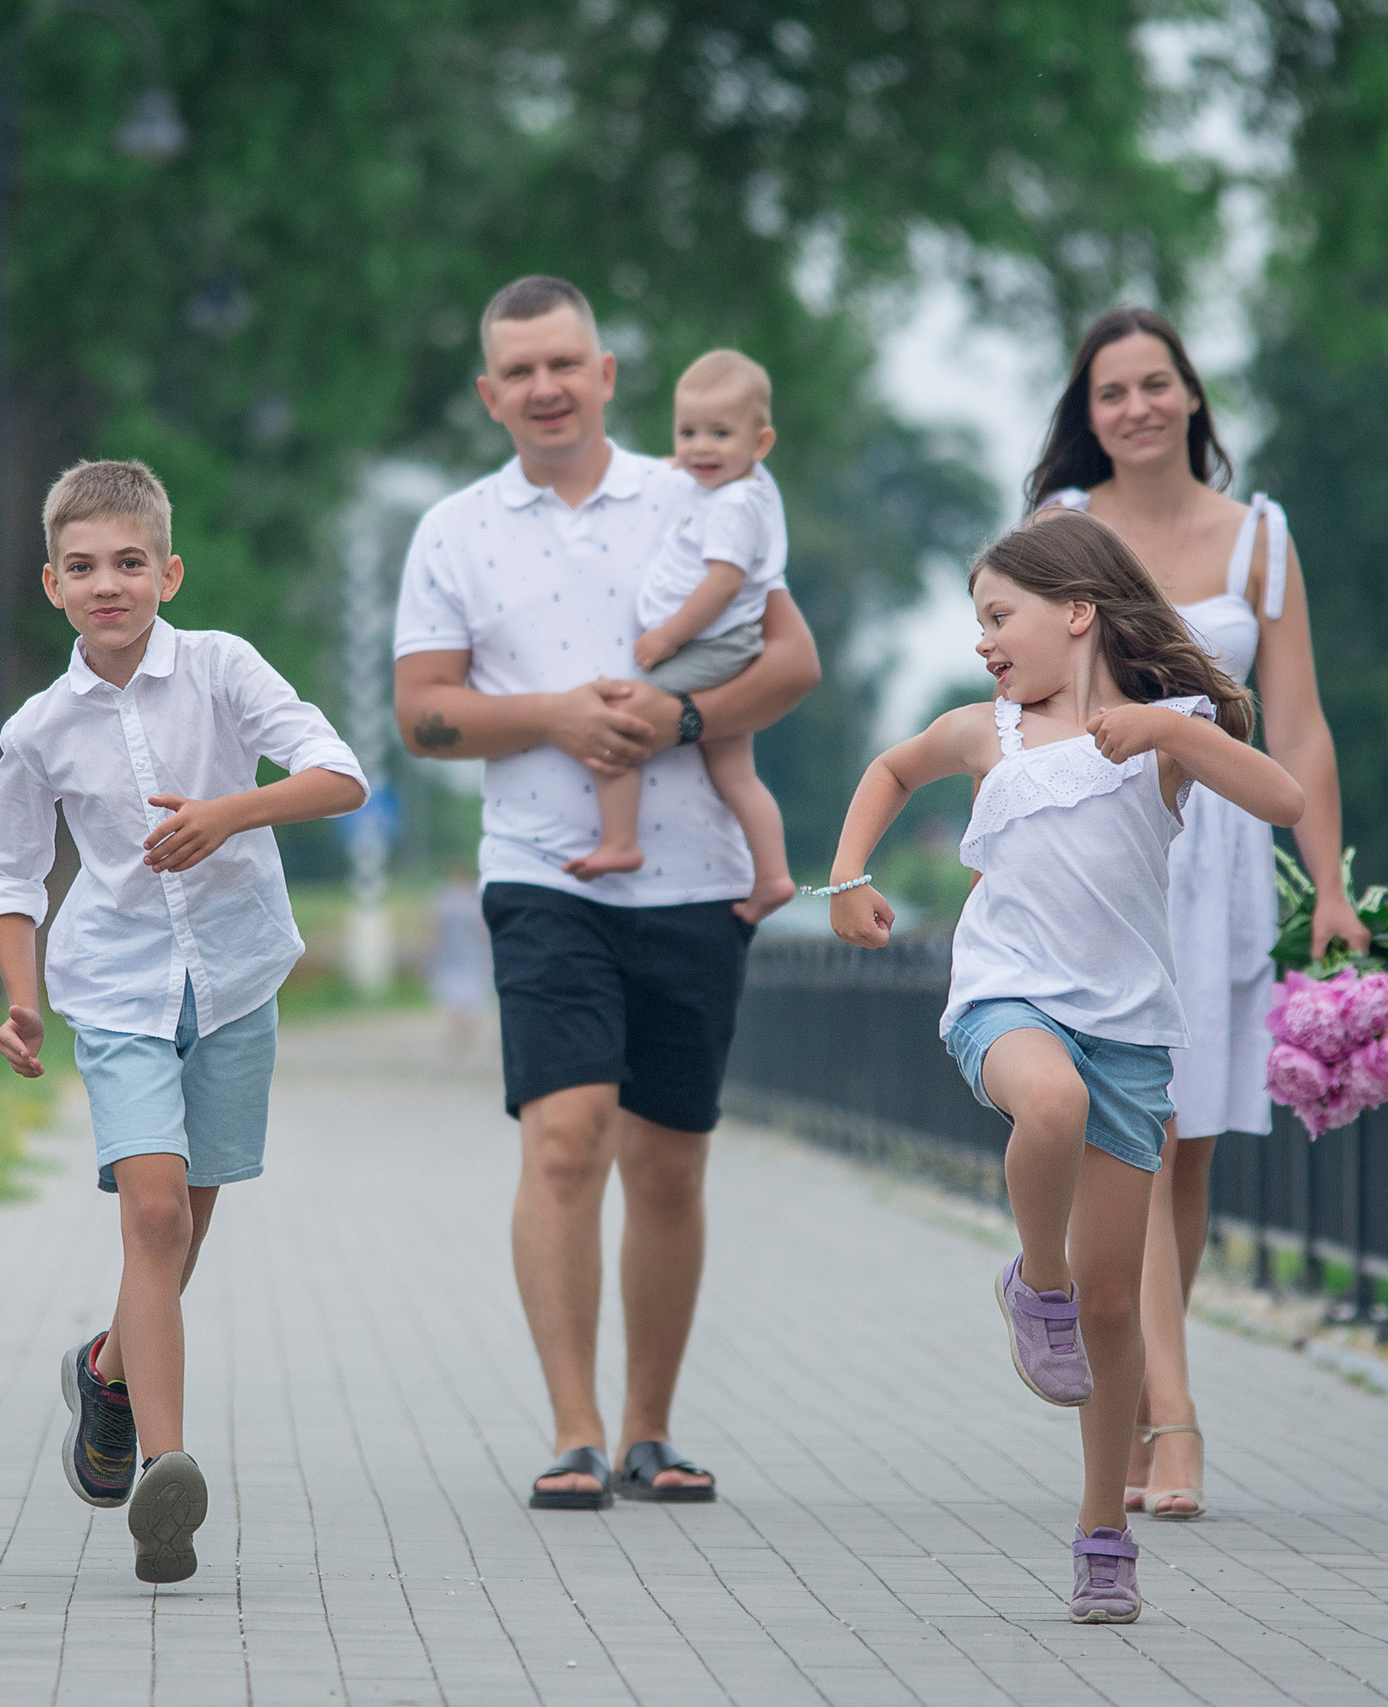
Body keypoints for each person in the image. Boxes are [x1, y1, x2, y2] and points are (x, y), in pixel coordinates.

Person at [823, 512, 1304, 1621]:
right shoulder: (986, 731)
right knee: (1048, 1102)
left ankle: (1102, 1531)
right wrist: (847, 877)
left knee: (1114, 1307)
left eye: (1000, 616)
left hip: (1129, 1031)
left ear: (1078, 610)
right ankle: (1033, 1281)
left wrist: (1170, 731)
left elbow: (1281, 801)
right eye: (978, 621)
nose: (984, 640)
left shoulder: (1169, 730)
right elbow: (891, 769)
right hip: (1006, 998)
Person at [392, 275, 820, 1509]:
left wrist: (680, 719)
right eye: (520, 371)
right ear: (490, 394)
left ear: (605, 374)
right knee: (567, 1137)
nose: (546, 388)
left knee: (669, 1165)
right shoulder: (454, 530)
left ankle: (650, 1432)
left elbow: (792, 662)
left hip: (696, 880)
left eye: (564, 363)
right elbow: (423, 714)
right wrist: (556, 716)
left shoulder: (699, 492)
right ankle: (574, 1432)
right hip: (543, 875)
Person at [0, 458, 368, 1583]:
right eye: (83, 567)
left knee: (180, 1233)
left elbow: (339, 774)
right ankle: (167, 1474)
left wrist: (232, 813)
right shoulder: (38, 729)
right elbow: (10, 873)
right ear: (51, 583)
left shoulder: (222, 669)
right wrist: (20, 996)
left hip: (237, 979)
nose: (108, 584)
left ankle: (105, 1373)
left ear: (169, 573)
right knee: (151, 1218)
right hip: (115, 988)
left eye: (130, 563)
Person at [1027, 306, 1369, 1520]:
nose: (1136, 407)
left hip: (1222, 858)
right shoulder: (1061, 532)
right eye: (1111, 391)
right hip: (1107, 849)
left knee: (1188, 1156)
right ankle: (1174, 1424)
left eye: (1154, 383)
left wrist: (1328, 887)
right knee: (1148, 1132)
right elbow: (1023, 699)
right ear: (1089, 413)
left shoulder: (1259, 538)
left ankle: (1125, 1402)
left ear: (1190, 397)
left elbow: (1300, 727)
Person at [559, 349, 795, 922]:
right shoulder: (742, 484)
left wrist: (666, 638)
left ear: (760, 443)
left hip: (708, 645)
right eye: (688, 433)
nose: (700, 449)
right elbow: (702, 467)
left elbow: (722, 583)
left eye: (719, 434)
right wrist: (683, 463)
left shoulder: (733, 506)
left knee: (617, 720)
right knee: (735, 773)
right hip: (722, 642)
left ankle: (621, 840)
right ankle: (773, 878)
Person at [428, 863, 493, 1055]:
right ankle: (466, 1031)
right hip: (471, 954)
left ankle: (459, 1029)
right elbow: (483, 928)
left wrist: (431, 950)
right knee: (471, 992)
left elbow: (436, 928)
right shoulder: (475, 900)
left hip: (450, 954)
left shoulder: (444, 900)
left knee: (452, 992)